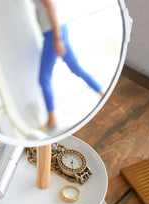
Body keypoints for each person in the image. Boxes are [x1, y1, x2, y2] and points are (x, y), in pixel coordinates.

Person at [33, 0, 104, 128]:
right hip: (56, 32)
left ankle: (51, 119)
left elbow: (51, 9)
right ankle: (102, 93)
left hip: (53, 35)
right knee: (76, 69)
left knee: (44, 79)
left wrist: (57, 40)